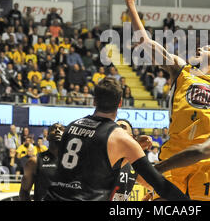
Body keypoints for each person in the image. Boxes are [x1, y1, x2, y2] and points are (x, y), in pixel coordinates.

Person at [122, 0, 210, 201]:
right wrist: (131, 6)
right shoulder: (180, 70)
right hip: (174, 152)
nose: (198, 48)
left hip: (205, 155)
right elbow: (145, 42)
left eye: (204, 48)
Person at [44, 77, 189, 201]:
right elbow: (159, 184)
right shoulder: (121, 138)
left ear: (94, 101)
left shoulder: (71, 127)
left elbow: (95, 161)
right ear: (120, 103)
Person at [19, 123, 65, 201]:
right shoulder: (34, 161)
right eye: (54, 129)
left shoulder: (76, 161)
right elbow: (24, 192)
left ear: (66, 136)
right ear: (46, 137)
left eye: (61, 129)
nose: (57, 130)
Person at [111, 119, 153, 201]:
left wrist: (149, 195)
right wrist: (136, 146)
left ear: (130, 137)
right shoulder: (101, 154)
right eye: (115, 127)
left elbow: (154, 186)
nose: (118, 129)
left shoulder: (134, 162)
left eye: (123, 127)